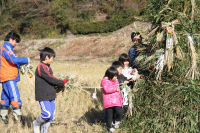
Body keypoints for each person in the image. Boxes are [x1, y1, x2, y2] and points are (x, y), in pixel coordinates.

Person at [33, 47, 68, 133]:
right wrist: (61, 82)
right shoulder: (41, 67)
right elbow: (50, 78)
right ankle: (36, 123)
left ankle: (44, 131)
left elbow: (52, 78)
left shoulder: (48, 67)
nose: (53, 59)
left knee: (51, 116)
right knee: (46, 114)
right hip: (43, 95)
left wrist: (60, 84)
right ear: (46, 57)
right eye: (52, 57)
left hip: (51, 94)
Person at [0, 31, 30, 124]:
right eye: (15, 41)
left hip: (5, 76)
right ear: (11, 39)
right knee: (15, 96)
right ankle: (18, 118)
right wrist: (26, 59)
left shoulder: (4, 48)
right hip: (9, 77)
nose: (16, 44)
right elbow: (13, 59)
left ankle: (3, 116)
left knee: (5, 96)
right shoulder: (6, 48)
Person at [101, 66, 123, 132]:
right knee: (109, 116)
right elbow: (107, 90)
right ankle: (109, 127)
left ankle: (117, 121)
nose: (116, 77)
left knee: (119, 111)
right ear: (110, 75)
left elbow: (118, 88)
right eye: (115, 76)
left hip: (116, 100)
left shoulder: (116, 80)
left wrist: (121, 98)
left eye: (116, 76)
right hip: (108, 102)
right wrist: (115, 89)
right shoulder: (104, 81)